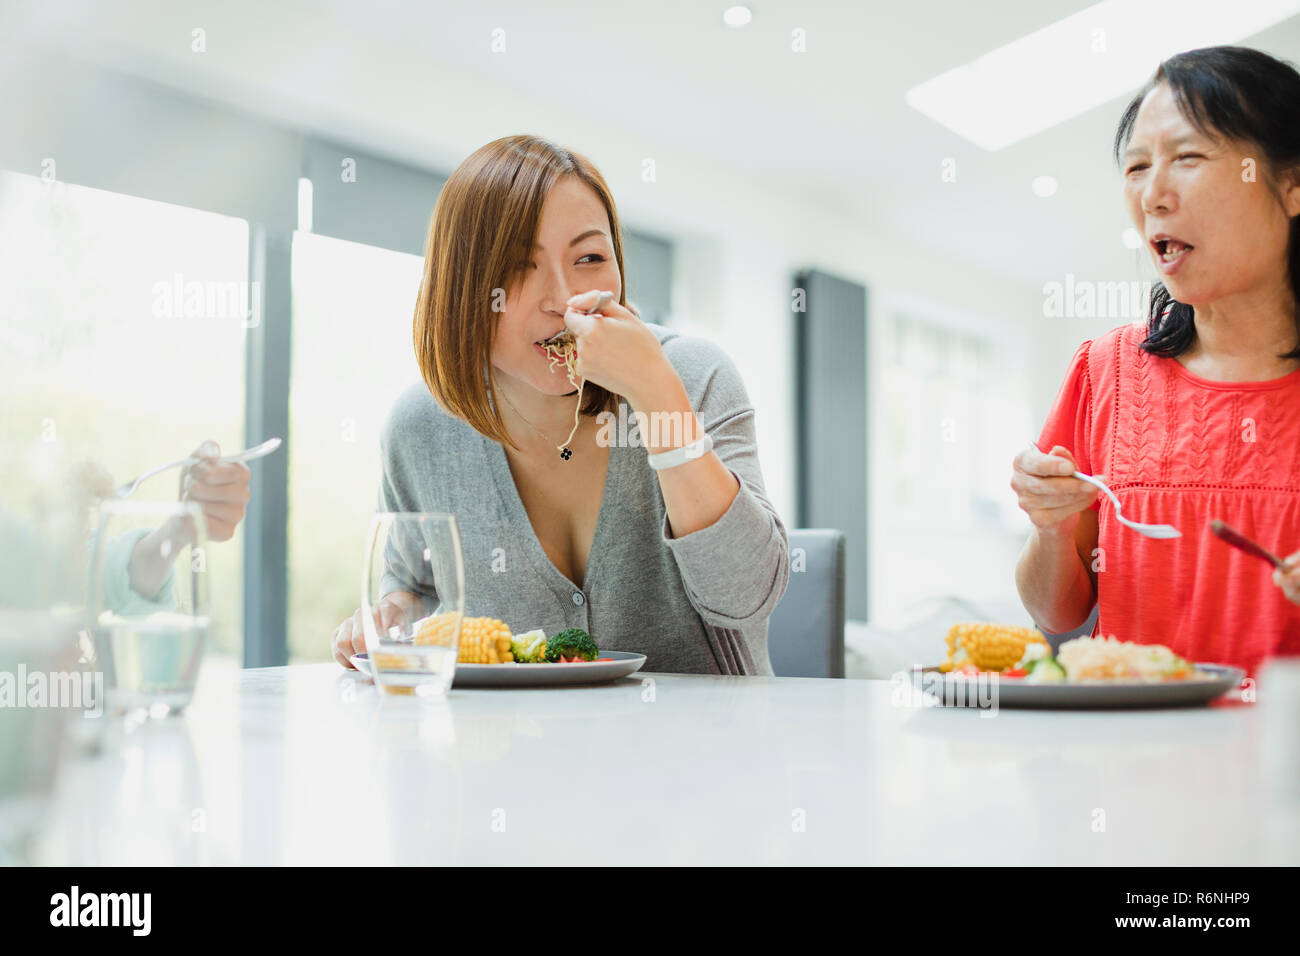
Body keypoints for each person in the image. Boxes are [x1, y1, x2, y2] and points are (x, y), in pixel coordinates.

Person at [332, 135, 789, 674]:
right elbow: (416, 585)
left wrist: (657, 396)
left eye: (590, 258)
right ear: (463, 287)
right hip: (516, 755)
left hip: (714, 751)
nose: (561, 298)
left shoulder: (693, 376)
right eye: (518, 267)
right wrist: (390, 616)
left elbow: (747, 596)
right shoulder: (419, 429)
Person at [1012, 46, 1300, 673]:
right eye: (1137, 167)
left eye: (1189, 157)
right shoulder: (1104, 369)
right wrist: (1052, 529)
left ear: (1291, 182)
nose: (1153, 195)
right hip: (1131, 758)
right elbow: (1058, 614)